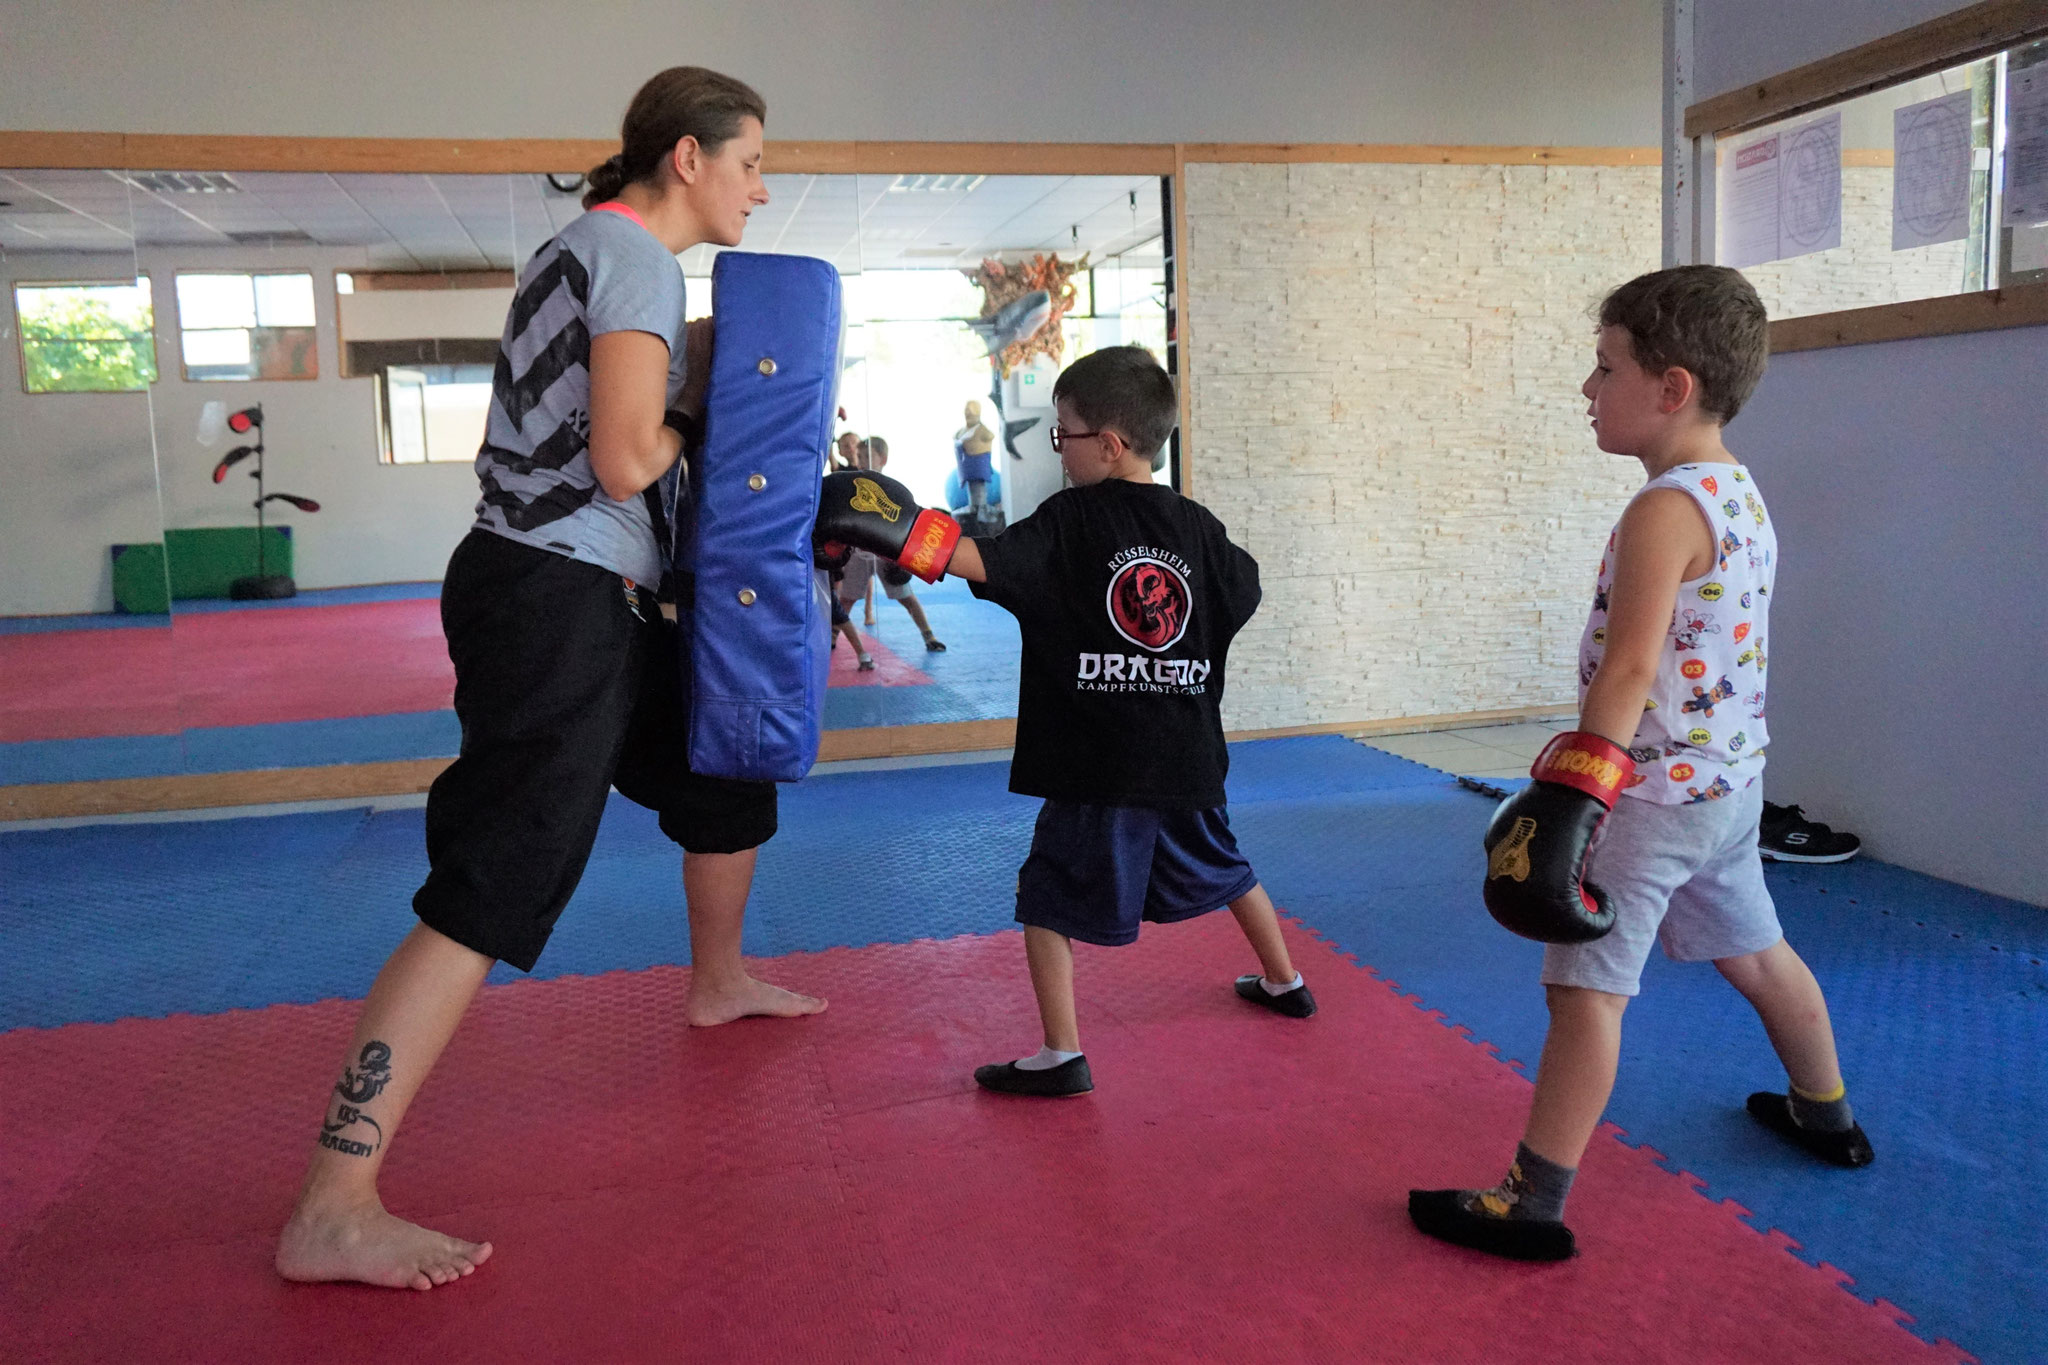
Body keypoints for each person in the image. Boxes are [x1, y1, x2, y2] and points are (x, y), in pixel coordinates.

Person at [275, 66, 826, 1294]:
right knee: (500, 875)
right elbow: (630, 461)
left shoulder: (585, 248)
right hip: (552, 595)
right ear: (686, 157)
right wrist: (716, 400)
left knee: (723, 767)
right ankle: (333, 1201)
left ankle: (719, 981)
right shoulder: (635, 258)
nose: (760, 186)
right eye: (748, 162)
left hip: (588, 589)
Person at [1410, 266, 1872, 1264]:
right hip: (1726, 782)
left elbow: (1628, 667)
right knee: (1754, 952)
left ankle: (1531, 1200)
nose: (1586, 387)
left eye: (1602, 366)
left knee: (1583, 990)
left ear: (1669, 388)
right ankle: (1822, 1112)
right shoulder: (1737, 489)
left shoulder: (1663, 508)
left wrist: (1573, 791)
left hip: (1650, 793)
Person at [812, 346, 1314, 1100]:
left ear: (1107, 445)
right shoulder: (1200, 525)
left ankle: (1062, 1052)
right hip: (1185, 751)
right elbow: (1242, 589)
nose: (1059, 448)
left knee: (1047, 893)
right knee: (1227, 862)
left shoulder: (1074, 519)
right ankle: (1286, 980)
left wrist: (898, 527)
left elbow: (978, 561)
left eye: (1063, 434)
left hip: (1098, 757)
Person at [835, 436, 947, 651]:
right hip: (859, 551)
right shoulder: (853, 485)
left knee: (906, 597)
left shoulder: (892, 488)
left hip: (885, 551)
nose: (862, 461)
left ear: (883, 459)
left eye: (868, 456)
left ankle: (928, 636)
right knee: (847, 599)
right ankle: (832, 637)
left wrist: (902, 553)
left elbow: (903, 520)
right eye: (859, 457)